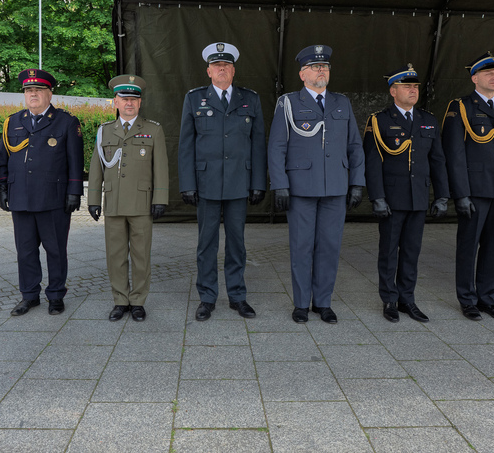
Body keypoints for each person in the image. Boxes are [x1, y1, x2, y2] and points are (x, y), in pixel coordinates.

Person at [268, 45, 364, 324]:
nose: (321, 70)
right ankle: (300, 304)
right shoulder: (289, 103)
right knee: (301, 246)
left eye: (324, 67)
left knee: (330, 247)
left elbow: (354, 146)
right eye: (314, 67)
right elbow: (276, 147)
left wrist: (356, 182)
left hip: (335, 186)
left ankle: (323, 302)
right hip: (301, 188)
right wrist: (280, 185)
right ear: (302, 74)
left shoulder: (341, 102)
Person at [179, 43, 266, 321]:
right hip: (206, 183)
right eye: (217, 66)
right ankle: (207, 297)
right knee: (206, 243)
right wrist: (187, 183)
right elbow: (185, 145)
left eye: (226, 66)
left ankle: (237, 296)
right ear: (208, 71)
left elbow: (258, 143)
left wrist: (258, 182)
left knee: (237, 243)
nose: (222, 70)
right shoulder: (194, 99)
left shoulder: (249, 99)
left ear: (233, 70)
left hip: (239, 182)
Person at [363, 64, 449, 323]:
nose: (413, 91)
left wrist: (442, 195)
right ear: (393, 90)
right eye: (406, 86)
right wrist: (377, 197)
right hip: (391, 198)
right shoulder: (379, 121)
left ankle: (407, 299)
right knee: (389, 250)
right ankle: (389, 298)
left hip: (418, 197)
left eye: (415, 87)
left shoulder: (428, 120)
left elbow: (438, 160)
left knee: (412, 251)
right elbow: (373, 161)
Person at [0, 69, 84, 316]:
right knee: (25, 250)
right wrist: (2, 187)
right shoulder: (12, 121)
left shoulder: (66, 122)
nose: (32, 94)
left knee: (55, 250)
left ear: (49, 93)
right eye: (28, 90)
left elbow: (75, 161)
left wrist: (74, 192)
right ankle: (29, 295)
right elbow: (4, 159)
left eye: (38, 90)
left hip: (53, 199)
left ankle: (55, 295)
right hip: (20, 197)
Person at [442, 52, 494, 322]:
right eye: (489, 73)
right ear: (475, 78)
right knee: (468, 245)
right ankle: (467, 299)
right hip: (475, 190)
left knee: (493, 247)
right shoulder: (461, 107)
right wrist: (460, 193)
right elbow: (454, 154)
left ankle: (488, 298)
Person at [88, 74, 168, 322]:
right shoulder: (104, 131)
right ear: (115, 102)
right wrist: (93, 200)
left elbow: (161, 168)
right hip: (113, 203)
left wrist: (160, 199)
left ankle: (138, 301)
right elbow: (96, 168)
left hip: (142, 204)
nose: (129, 103)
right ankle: (120, 300)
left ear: (140, 103)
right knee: (115, 255)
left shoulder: (153, 130)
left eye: (134, 99)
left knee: (141, 255)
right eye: (124, 99)